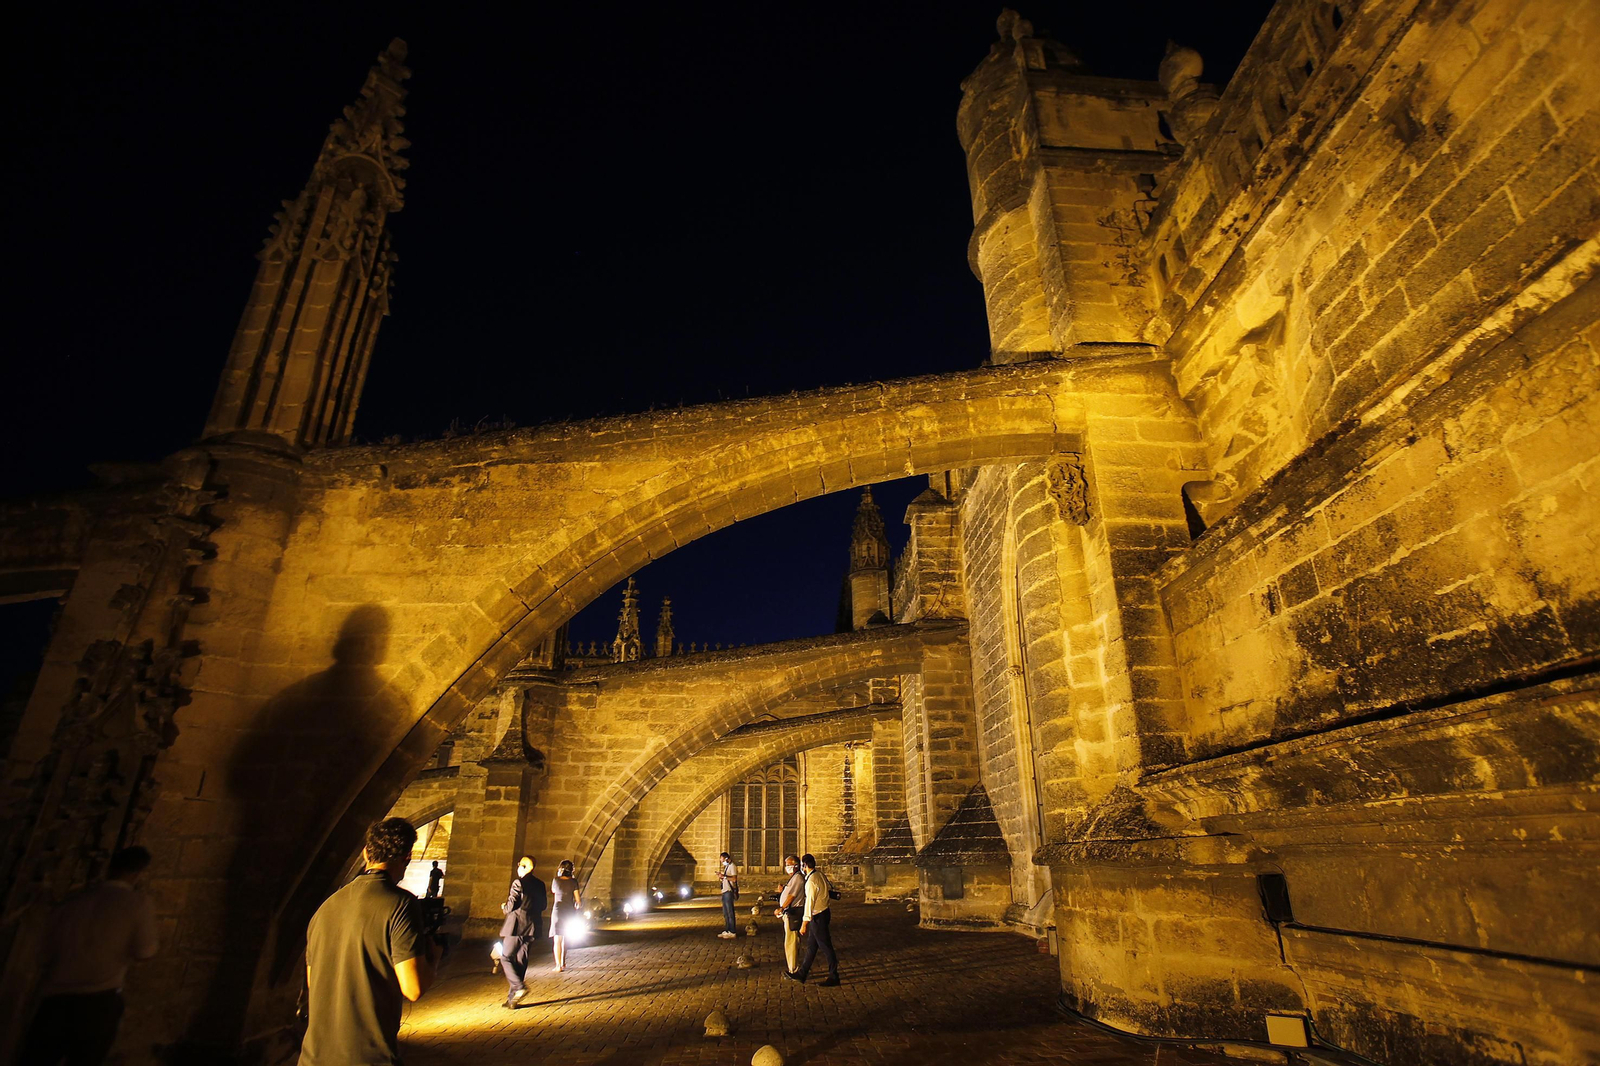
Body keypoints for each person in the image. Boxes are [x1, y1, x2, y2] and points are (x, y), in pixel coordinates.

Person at [300, 818, 440, 1066]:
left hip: (313, 1057)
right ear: (407, 856)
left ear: (366, 853)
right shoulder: (400, 905)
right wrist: (433, 959)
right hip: (368, 1057)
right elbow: (413, 988)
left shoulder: (326, 907)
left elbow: (314, 981)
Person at [19, 845, 159, 1066]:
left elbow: (43, 956)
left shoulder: (70, 903)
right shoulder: (136, 904)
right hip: (98, 1004)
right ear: (137, 873)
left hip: (55, 1004)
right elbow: (145, 950)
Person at [498, 855, 547, 1008]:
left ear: (525, 867)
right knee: (521, 960)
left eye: (519, 865)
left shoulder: (518, 883)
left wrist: (504, 908)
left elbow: (511, 906)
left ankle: (519, 987)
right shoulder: (540, 884)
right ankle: (513, 999)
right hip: (532, 927)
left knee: (505, 957)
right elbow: (544, 905)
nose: (517, 868)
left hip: (517, 927)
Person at [785, 853, 839, 986]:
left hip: (818, 916)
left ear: (805, 865)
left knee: (826, 947)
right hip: (823, 913)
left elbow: (810, 903)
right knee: (811, 946)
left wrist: (804, 923)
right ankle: (802, 974)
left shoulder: (811, 881)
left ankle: (834, 976)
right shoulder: (818, 874)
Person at [773, 853, 805, 974]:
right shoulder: (794, 878)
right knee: (790, 940)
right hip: (789, 912)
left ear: (796, 865)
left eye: (789, 865)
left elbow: (792, 896)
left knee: (791, 941)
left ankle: (793, 969)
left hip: (793, 912)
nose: (787, 867)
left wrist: (781, 908)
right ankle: (792, 967)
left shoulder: (797, 878)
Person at [549, 859, 581, 973]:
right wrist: (577, 907)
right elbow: (578, 900)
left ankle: (558, 965)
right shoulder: (573, 882)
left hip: (558, 910)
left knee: (557, 939)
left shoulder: (556, 881)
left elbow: (553, 891)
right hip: (569, 911)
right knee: (566, 939)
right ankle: (563, 962)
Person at [716, 851, 739, 938]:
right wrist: (722, 877)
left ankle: (732, 931)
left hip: (729, 891)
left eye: (722, 860)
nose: (722, 862)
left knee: (730, 911)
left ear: (726, 858)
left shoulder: (732, 866)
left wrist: (724, 877)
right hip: (724, 891)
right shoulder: (727, 866)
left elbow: (734, 879)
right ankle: (727, 930)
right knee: (725, 912)